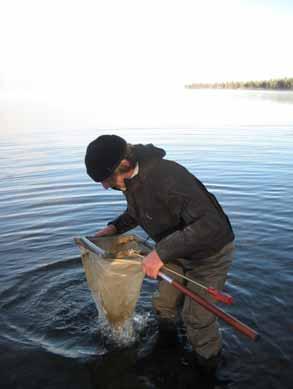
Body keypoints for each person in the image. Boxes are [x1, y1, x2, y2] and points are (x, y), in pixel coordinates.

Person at [85, 134, 235, 369]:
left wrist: (160, 253)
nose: (105, 187)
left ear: (123, 164)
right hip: (174, 250)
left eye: (105, 179)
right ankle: (168, 350)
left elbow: (211, 224)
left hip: (210, 253)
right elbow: (138, 212)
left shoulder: (168, 176)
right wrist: (113, 227)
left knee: (196, 317)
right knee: (164, 305)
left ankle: (208, 367)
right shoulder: (130, 180)